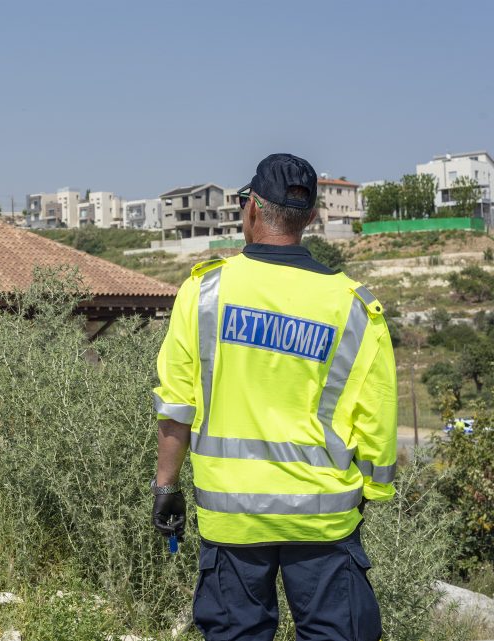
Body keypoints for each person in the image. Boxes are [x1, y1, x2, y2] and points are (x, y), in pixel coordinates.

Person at [151, 153, 397, 641]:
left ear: (252, 210)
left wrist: (166, 487)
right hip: (324, 522)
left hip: (232, 521)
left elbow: (176, 407)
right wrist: (373, 493)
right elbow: (378, 417)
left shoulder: (203, 292)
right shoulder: (354, 305)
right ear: (309, 218)